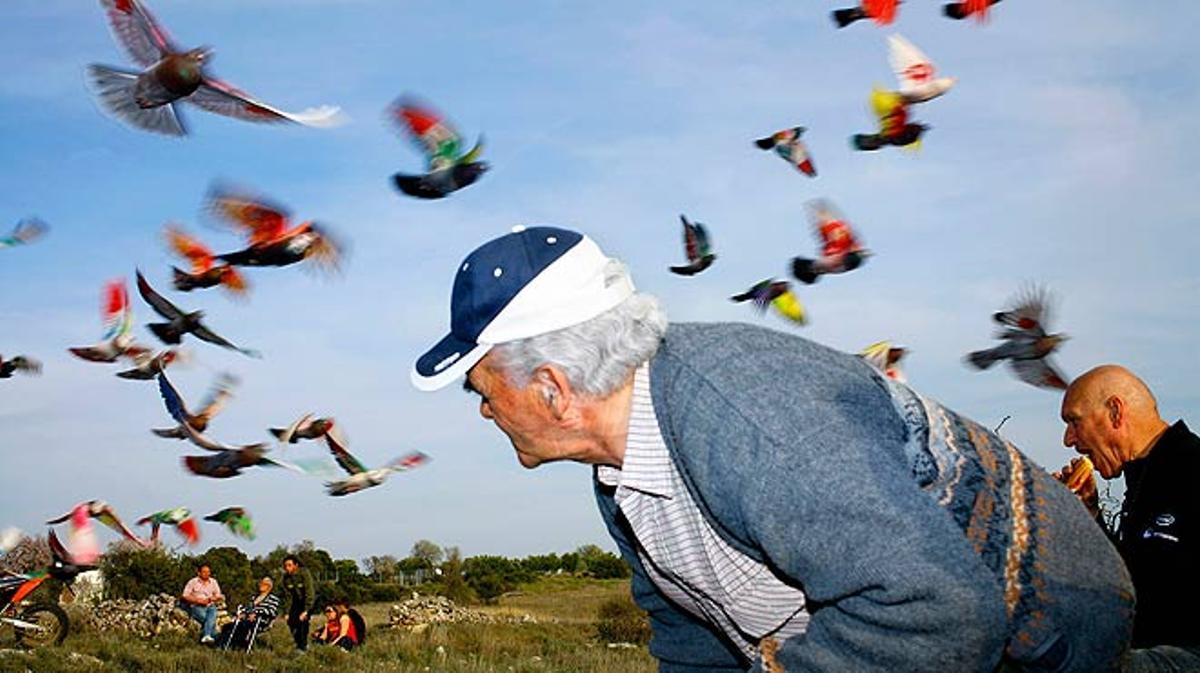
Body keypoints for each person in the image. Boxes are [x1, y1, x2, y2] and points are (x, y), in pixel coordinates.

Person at [411, 225, 1135, 672]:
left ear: (551, 387)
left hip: (1047, 626)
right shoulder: (619, 473)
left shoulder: (747, 415)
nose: (481, 411)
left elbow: (937, 611)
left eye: (481, 386)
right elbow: (687, 629)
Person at [1056, 365, 1200, 670]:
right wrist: (1089, 515)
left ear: (1115, 412)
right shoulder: (1142, 483)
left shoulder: (1191, 469)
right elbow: (1127, 577)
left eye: (1074, 422)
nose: (1068, 440)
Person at [217, 576, 280, 650]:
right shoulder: (254, 597)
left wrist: (256, 613)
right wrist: (243, 613)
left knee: (244, 625)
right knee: (228, 625)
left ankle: (238, 646)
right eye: (261, 583)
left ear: (269, 587)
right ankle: (223, 645)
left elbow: (271, 611)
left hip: (261, 620)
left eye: (264, 584)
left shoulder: (273, 599)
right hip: (248, 618)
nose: (261, 585)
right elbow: (248, 608)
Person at [277, 554, 316, 652]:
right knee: (291, 622)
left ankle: (302, 646)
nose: (287, 568)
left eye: (289, 565)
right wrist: (286, 612)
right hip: (295, 602)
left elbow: (309, 592)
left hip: (307, 601)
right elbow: (288, 596)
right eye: (285, 566)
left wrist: (306, 610)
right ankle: (299, 643)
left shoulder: (304, 574)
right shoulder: (286, 578)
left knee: (302, 622)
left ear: (296, 565)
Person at [180, 563, 223, 644]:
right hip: (196, 606)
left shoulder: (213, 582)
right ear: (199, 573)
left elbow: (218, 595)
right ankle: (215, 637)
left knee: (211, 614)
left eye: (208, 572)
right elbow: (185, 595)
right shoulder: (192, 582)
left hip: (210, 605)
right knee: (210, 620)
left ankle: (207, 636)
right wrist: (197, 600)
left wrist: (211, 599)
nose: (207, 574)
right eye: (204, 572)